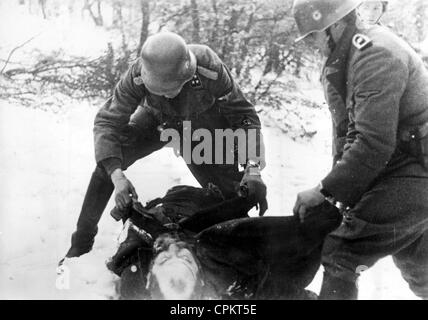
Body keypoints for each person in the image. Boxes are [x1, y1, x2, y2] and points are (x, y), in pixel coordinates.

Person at [65, 32, 267, 259]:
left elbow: (244, 116)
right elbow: (108, 122)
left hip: (203, 124)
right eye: (159, 90)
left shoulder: (208, 67)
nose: (168, 95)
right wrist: (117, 175)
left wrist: (252, 166)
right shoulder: (137, 75)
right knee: (109, 161)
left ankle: (238, 258)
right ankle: (81, 242)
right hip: (158, 119)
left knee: (231, 195)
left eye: (172, 88)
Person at [291, 0, 428, 299]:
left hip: (417, 170)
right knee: (420, 267)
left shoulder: (374, 54)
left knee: (341, 251)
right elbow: (348, 135)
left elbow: (373, 143)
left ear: (334, 25)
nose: (312, 45)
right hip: (403, 168)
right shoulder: (347, 57)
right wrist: (336, 196)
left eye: (313, 36)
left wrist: (325, 191)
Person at [105, 185, 342, 300]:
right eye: (185, 258)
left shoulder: (136, 280)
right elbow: (273, 292)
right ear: (199, 273)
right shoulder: (221, 267)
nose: (175, 249)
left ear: (150, 272)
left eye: (164, 257)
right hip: (206, 206)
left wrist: (130, 211)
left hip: (174, 202)